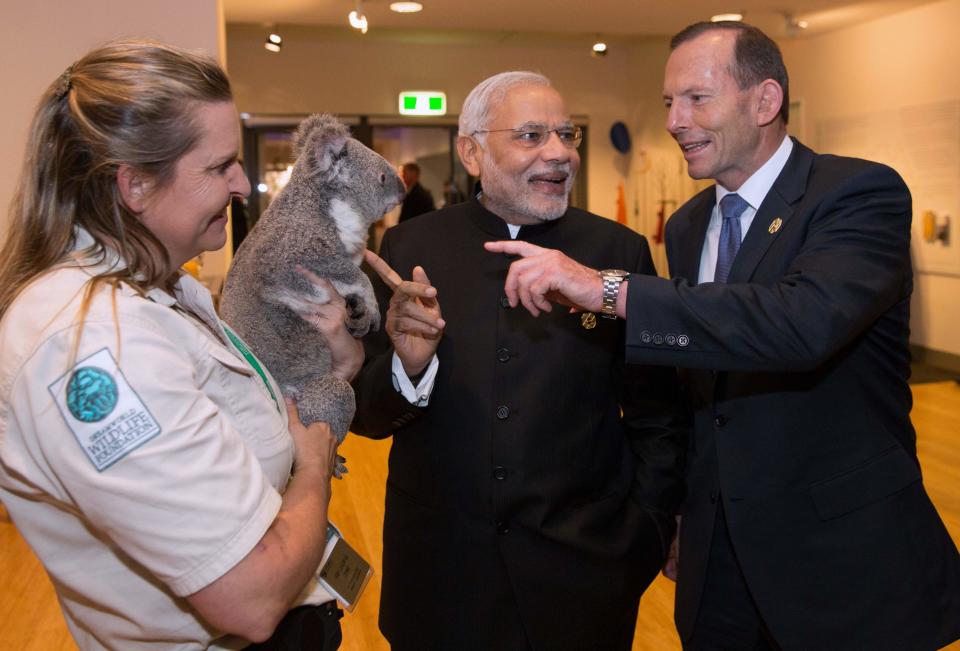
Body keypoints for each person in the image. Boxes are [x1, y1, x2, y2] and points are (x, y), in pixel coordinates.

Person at [485, 22, 960, 651]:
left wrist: (609, 290)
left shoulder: (855, 194)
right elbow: (697, 387)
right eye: (668, 104)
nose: (676, 121)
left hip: (841, 566)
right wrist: (680, 510)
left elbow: (799, 325)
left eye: (696, 99)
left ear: (765, 101)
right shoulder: (688, 226)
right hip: (719, 568)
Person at [0, 40, 363, 650]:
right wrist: (315, 464)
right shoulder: (90, 341)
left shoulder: (165, 290)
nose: (244, 184)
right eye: (220, 166)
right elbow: (250, 595)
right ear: (135, 185)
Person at [352, 71, 687, 650]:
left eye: (566, 134)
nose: (559, 153)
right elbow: (366, 414)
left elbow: (658, 413)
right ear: (472, 152)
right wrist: (407, 368)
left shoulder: (617, 252)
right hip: (440, 575)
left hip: (584, 571)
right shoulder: (410, 250)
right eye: (531, 135)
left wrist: (644, 535)